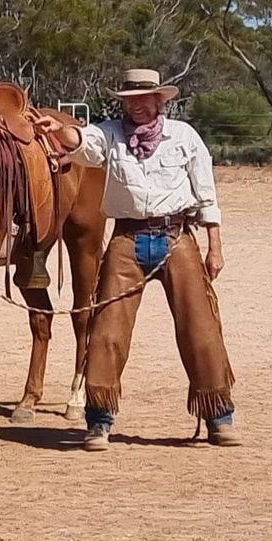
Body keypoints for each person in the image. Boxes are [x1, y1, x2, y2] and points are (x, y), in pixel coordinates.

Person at [34, 69, 238, 451]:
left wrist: (215, 245)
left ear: (160, 101)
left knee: (200, 327)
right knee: (108, 329)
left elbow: (206, 193)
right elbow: (84, 143)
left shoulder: (184, 137)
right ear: (123, 102)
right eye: (130, 100)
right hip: (127, 237)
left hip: (177, 237)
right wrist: (60, 131)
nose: (138, 106)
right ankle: (99, 420)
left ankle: (218, 415)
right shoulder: (110, 133)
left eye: (145, 99)